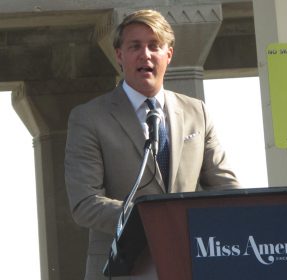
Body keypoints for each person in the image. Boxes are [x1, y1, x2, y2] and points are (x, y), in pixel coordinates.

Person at [65, 9, 240, 280]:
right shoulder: (89, 118)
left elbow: (227, 189)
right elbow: (84, 204)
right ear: (119, 55)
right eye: (135, 46)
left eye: (154, 46)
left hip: (189, 264)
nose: (145, 54)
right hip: (122, 269)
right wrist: (152, 219)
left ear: (168, 55)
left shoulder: (197, 112)